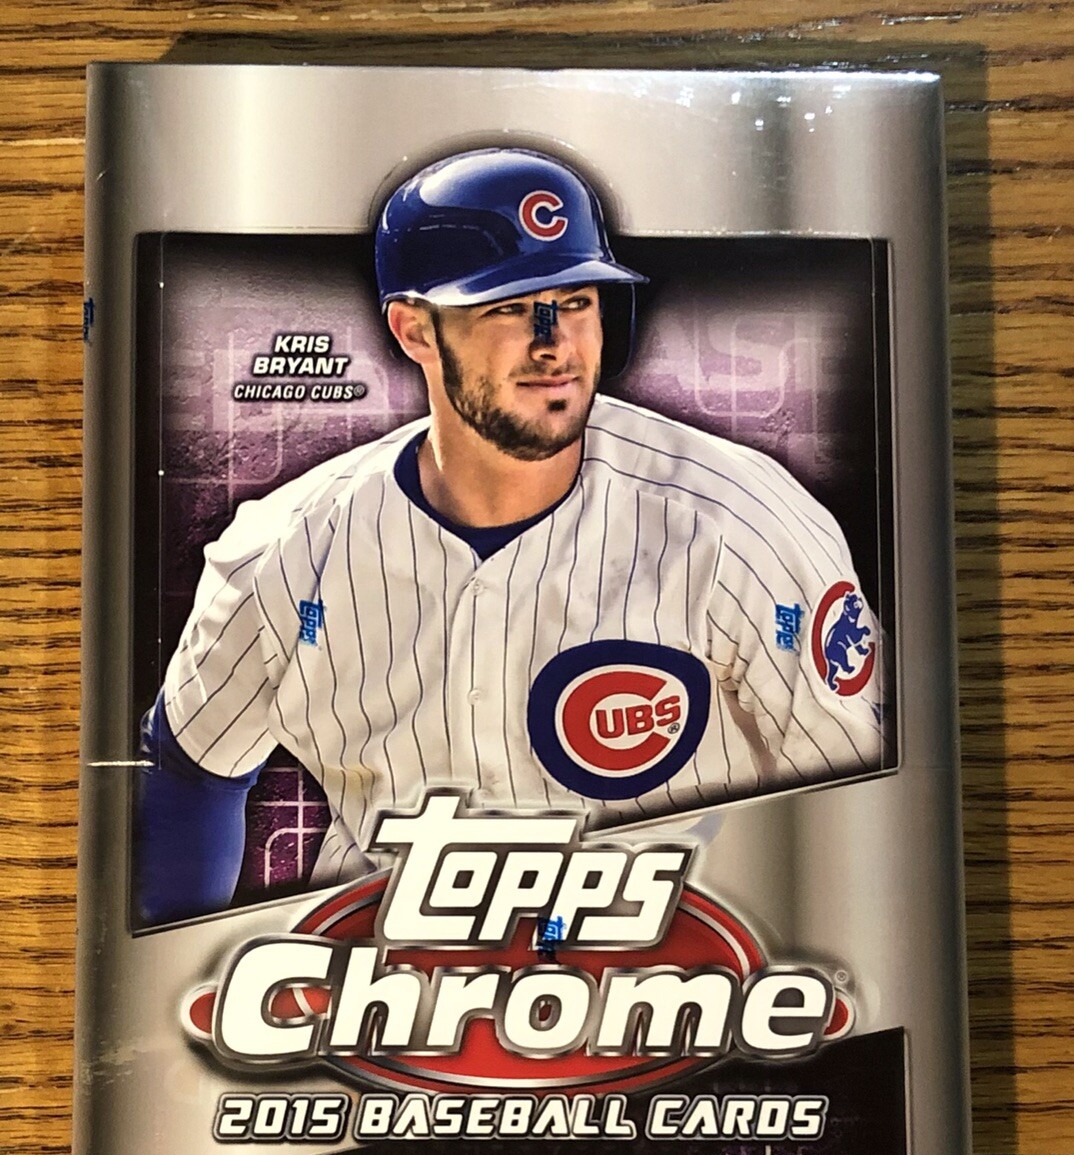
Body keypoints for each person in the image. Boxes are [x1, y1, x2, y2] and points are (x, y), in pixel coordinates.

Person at [138, 147, 882, 924]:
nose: (554, 342)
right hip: (386, 980)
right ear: (414, 330)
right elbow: (191, 769)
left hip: (676, 972)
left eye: (576, 300)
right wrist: (179, 973)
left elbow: (855, 806)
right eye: (508, 307)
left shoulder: (738, 524)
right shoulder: (285, 550)